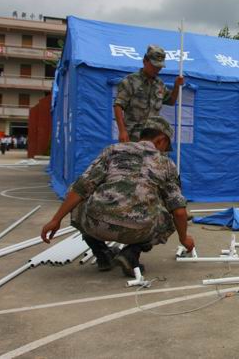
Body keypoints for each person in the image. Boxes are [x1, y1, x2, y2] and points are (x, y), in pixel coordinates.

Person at [40, 116, 195, 277]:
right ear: (161, 140)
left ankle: (102, 254)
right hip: (139, 229)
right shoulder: (166, 164)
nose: (164, 151)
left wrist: (55, 220)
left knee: (77, 196)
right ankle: (131, 254)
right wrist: (184, 238)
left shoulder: (113, 150)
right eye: (165, 147)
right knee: (170, 216)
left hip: (96, 224)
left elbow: (81, 187)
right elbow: (179, 212)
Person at [113, 45, 184, 143]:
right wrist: (122, 131)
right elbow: (118, 105)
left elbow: (171, 101)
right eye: (154, 66)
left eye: (159, 67)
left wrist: (176, 86)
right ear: (145, 61)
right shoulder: (130, 81)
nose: (157, 69)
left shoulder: (160, 84)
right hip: (132, 137)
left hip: (152, 138)